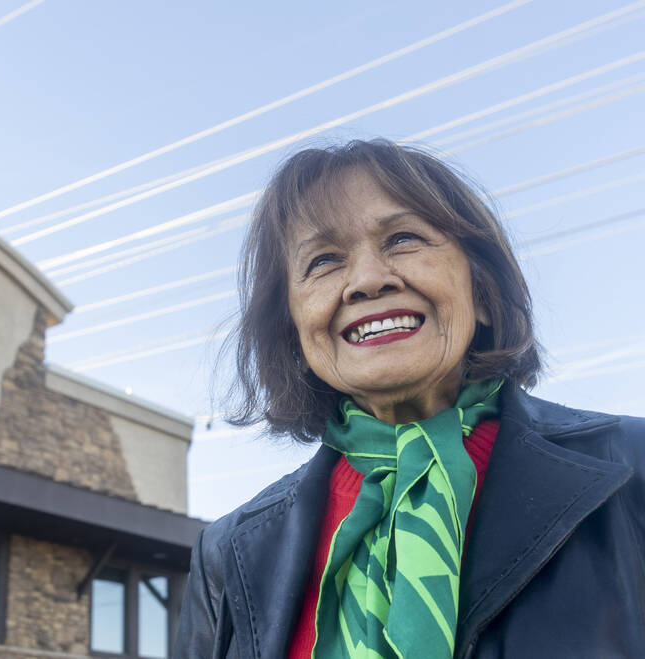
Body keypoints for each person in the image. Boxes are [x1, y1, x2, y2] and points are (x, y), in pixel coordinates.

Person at [174, 140, 645, 659]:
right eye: (324, 261)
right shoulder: (227, 554)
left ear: (483, 293)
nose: (369, 280)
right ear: (294, 333)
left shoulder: (629, 466)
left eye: (403, 239)